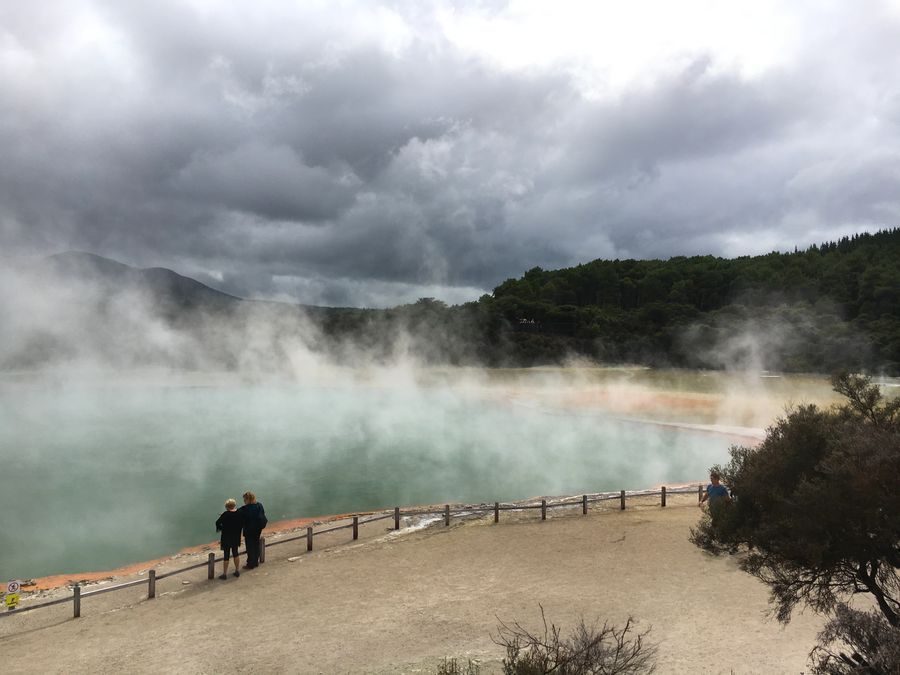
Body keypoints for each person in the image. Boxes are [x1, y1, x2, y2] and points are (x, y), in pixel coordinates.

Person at [215, 498, 243, 580]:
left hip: (226, 537)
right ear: (234, 505)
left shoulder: (225, 514)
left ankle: (224, 574)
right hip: (236, 536)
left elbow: (217, 522)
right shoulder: (239, 513)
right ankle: (237, 570)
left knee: (226, 556)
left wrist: (222, 528)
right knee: (235, 553)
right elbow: (242, 522)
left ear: (227, 507)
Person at [239, 491, 267, 569]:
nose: (244, 501)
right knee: (256, 544)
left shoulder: (244, 509)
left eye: (245, 499)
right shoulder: (259, 505)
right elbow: (263, 513)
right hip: (258, 529)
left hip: (248, 530)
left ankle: (250, 564)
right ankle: (255, 562)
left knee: (250, 547)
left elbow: (236, 514)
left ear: (248, 499)